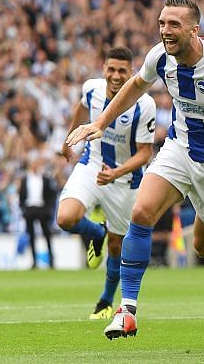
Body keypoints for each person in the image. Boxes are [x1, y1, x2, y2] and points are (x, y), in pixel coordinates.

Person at [66, 0, 204, 339]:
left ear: (194, 30)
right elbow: (137, 84)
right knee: (142, 212)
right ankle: (127, 311)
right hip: (179, 148)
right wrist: (102, 123)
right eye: (161, 24)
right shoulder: (160, 56)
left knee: (203, 246)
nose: (165, 31)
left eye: (173, 25)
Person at [57, 47, 156, 320]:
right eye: (111, 69)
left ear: (131, 73)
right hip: (91, 165)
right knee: (65, 218)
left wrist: (116, 172)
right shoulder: (92, 89)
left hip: (124, 180)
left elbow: (145, 153)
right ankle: (95, 233)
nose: (115, 75)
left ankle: (104, 301)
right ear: (103, 69)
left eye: (122, 71)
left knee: (117, 246)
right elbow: (81, 107)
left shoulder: (144, 104)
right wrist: (69, 141)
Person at [19, 158, 58, 269]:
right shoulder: (25, 179)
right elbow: (21, 195)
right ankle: (34, 261)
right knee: (31, 236)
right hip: (30, 209)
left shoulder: (45, 179)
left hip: (42, 209)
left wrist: (48, 208)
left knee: (47, 235)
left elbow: (52, 195)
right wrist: (24, 209)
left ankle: (51, 260)